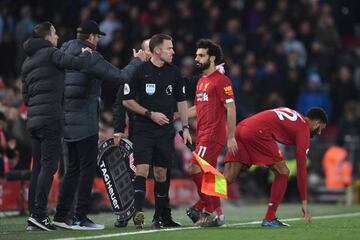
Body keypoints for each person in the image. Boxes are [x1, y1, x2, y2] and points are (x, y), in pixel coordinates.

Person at [52, 20, 145, 230]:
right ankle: (79, 217)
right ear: (91, 37)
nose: (99, 40)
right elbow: (121, 77)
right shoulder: (91, 56)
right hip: (85, 123)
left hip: (66, 121)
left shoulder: (63, 52)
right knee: (85, 171)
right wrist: (137, 60)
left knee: (71, 170)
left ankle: (61, 215)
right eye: (98, 37)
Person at [21, 21, 92, 231]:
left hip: (34, 119)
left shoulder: (27, 61)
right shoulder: (51, 53)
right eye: (54, 33)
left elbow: (25, 97)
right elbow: (76, 64)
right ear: (46, 37)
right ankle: (40, 215)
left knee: (38, 169)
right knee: (49, 166)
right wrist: (87, 53)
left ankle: (33, 215)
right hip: (51, 118)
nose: (57, 37)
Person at [122, 34, 192, 229]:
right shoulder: (140, 71)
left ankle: (160, 217)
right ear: (157, 50)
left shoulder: (175, 73)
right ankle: (138, 213)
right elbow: (126, 100)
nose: (173, 51)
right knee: (143, 169)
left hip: (165, 132)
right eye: (169, 48)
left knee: (161, 173)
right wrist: (150, 114)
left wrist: (185, 128)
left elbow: (181, 102)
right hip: (143, 129)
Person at [223, 107, 327, 227]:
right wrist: (304, 201)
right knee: (283, 172)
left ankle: (202, 207)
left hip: (241, 127)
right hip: (257, 133)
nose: (318, 133)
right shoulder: (303, 130)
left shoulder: (294, 115)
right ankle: (270, 218)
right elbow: (301, 169)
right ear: (316, 123)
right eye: (320, 129)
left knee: (227, 178)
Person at [185, 39, 237, 227]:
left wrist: (231, 136)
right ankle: (218, 214)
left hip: (213, 135)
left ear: (212, 58)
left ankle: (207, 208)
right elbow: (198, 108)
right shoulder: (201, 81)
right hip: (202, 135)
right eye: (196, 55)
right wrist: (177, 115)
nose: (196, 58)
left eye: (201, 55)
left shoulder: (221, 80)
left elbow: (231, 108)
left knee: (194, 169)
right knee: (210, 176)